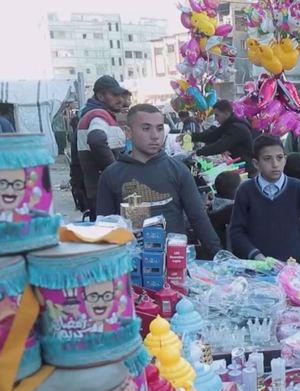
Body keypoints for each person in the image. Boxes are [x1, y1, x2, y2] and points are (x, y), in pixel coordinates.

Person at [96, 104, 221, 256]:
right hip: (129, 265)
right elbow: (104, 228)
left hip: (174, 262)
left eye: (160, 128)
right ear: (128, 132)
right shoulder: (111, 175)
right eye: (146, 128)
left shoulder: (178, 170)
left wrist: (219, 258)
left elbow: (199, 218)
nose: (155, 135)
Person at [229, 135, 300, 261]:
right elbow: (236, 231)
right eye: (267, 159)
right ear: (256, 163)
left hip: (291, 268)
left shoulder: (297, 188)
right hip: (257, 268)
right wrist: (254, 254)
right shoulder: (246, 191)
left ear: (285, 159)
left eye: (279, 158)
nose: (275, 164)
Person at [77, 75, 129, 221]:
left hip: (96, 191)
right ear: (100, 96)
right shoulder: (99, 115)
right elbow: (96, 140)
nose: (120, 100)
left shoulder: (91, 114)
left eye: (120, 95)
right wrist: (115, 171)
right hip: (104, 192)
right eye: (114, 95)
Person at [190, 100, 256, 175]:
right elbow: (212, 135)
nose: (216, 118)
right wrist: (191, 137)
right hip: (237, 164)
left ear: (226, 113)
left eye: (217, 115)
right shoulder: (228, 124)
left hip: (245, 168)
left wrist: (199, 152)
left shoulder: (237, 127)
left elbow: (221, 145)